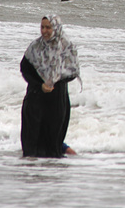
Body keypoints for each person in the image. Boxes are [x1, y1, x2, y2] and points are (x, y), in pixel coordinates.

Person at [20, 14, 80, 158]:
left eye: (48, 27)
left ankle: (50, 177)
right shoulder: (35, 47)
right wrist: (40, 84)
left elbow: (73, 71)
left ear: (56, 28)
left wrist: (56, 78)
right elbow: (25, 69)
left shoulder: (67, 46)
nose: (44, 31)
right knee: (31, 145)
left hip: (57, 99)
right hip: (35, 97)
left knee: (53, 145)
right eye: (42, 27)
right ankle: (30, 175)